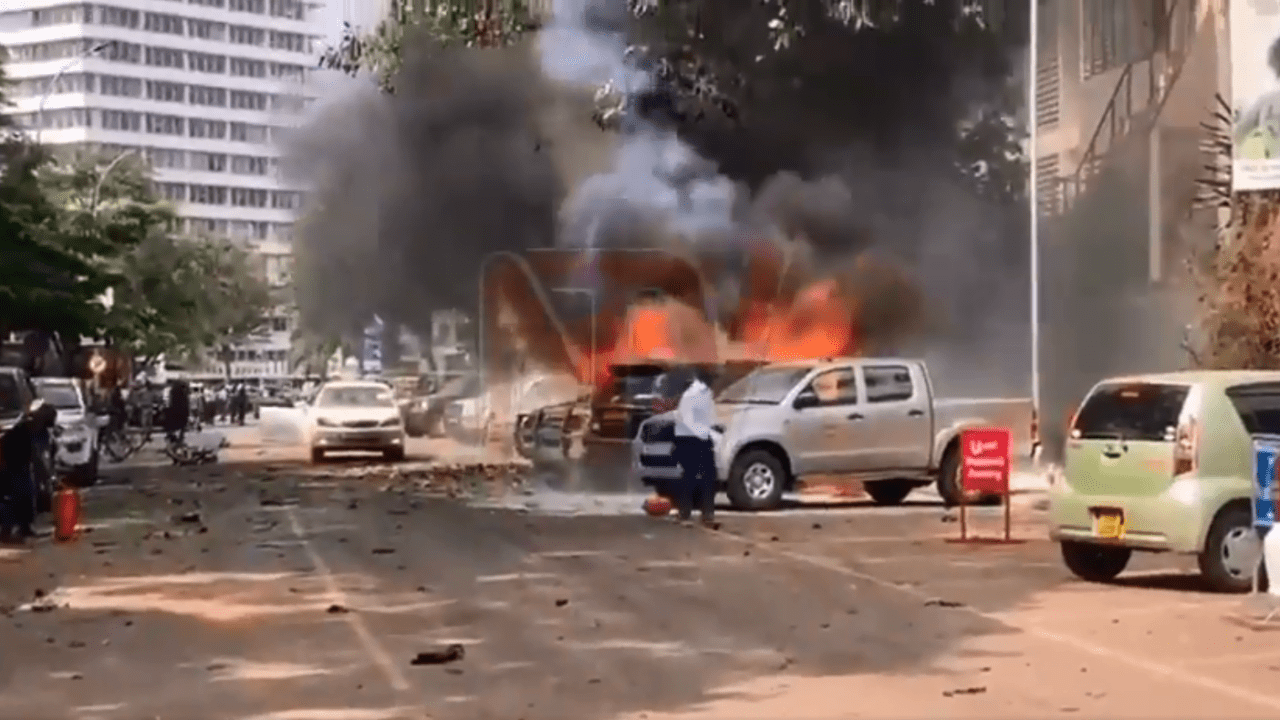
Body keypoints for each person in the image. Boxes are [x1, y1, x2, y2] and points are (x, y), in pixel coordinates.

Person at [0, 402, 58, 544]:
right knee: (13, 496)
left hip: (21, 463)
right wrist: (48, 477)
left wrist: (48, 477)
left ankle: (24, 527)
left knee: (27, 493)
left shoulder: (40, 430)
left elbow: (43, 456)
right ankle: (6, 531)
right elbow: (38, 457)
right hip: (7, 462)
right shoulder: (28, 428)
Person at [672, 364, 721, 526]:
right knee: (690, 476)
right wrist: (706, 433)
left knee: (709, 475)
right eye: (713, 377)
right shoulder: (691, 394)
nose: (715, 381)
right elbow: (687, 420)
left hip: (702, 437)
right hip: (688, 439)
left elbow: (708, 416)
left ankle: (707, 513)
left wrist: (714, 427)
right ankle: (684, 513)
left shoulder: (707, 393)